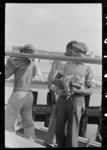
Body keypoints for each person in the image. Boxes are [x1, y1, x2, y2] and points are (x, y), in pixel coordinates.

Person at [54, 41, 95, 147]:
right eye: (74, 50)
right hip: (63, 97)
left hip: (78, 99)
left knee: (72, 130)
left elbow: (91, 90)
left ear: (84, 53)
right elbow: (55, 79)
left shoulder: (88, 67)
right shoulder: (67, 64)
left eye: (77, 51)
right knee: (58, 128)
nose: (74, 53)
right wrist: (56, 87)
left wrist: (78, 90)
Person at [5, 44, 37, 140]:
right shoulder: (34, 63)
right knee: (28, 122)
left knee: (9, 120)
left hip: (18, 93)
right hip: (29, 94)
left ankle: (9, 141)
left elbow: (5, 75)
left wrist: (9, 62)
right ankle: (31, 140)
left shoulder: (18, 61)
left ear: (23, 52)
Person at [44, 60, 64, 147]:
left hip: (57, 95)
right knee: (56, 120)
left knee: (55, 119)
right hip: (59, 96)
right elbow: (51, 83)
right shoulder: (62, 69)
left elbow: (50, 82)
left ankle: (51, 141)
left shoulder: (59, 70)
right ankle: (51, 141)